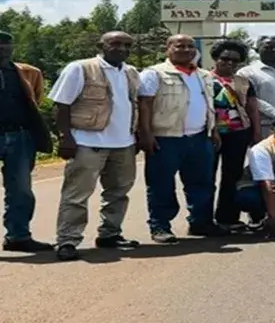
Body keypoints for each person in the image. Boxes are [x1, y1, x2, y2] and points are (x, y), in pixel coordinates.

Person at [49, 32, 141, 261]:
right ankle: (68, 240)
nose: (121, 48)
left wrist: (136, 136)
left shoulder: (130, 72)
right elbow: (61, 105)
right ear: (101, 45)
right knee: (76, 195)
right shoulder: (80, 68)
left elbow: (133, 105)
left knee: (118, 193)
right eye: (116, 43)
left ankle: (110, 234)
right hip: (87, 143)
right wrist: (65, 138)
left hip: (124, 144)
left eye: (127, 45)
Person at [138, 34, 224, 243]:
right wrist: (146, 134)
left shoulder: (204, 75)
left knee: (202, 183)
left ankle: (200, 222)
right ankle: (160, 227)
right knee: (161, 184)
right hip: (165, 138)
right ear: (167, 48)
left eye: (190, 46)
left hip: (200, 137)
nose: (186, 50)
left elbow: (208, 105)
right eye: (180, 46)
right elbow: (144, 105)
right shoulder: (154, 74)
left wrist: (213, 131)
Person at [0, 30, 53, 253]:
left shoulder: (28, 72)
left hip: (20, 136)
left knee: (21, 189)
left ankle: (18, 236)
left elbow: (36, 100)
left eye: (6, 44)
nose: (2, 48)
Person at [209, 39, 261, 232]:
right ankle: (204, 220)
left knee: (232, 177)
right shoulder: (204, 78)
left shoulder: (244, 81)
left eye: (235, 60)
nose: (229, 63)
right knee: (207, 177)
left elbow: (253, 109)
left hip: (238, 133)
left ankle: (228, 218)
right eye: (225, 59)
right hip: (209, 134)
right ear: (216, 58)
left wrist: (255, 134)